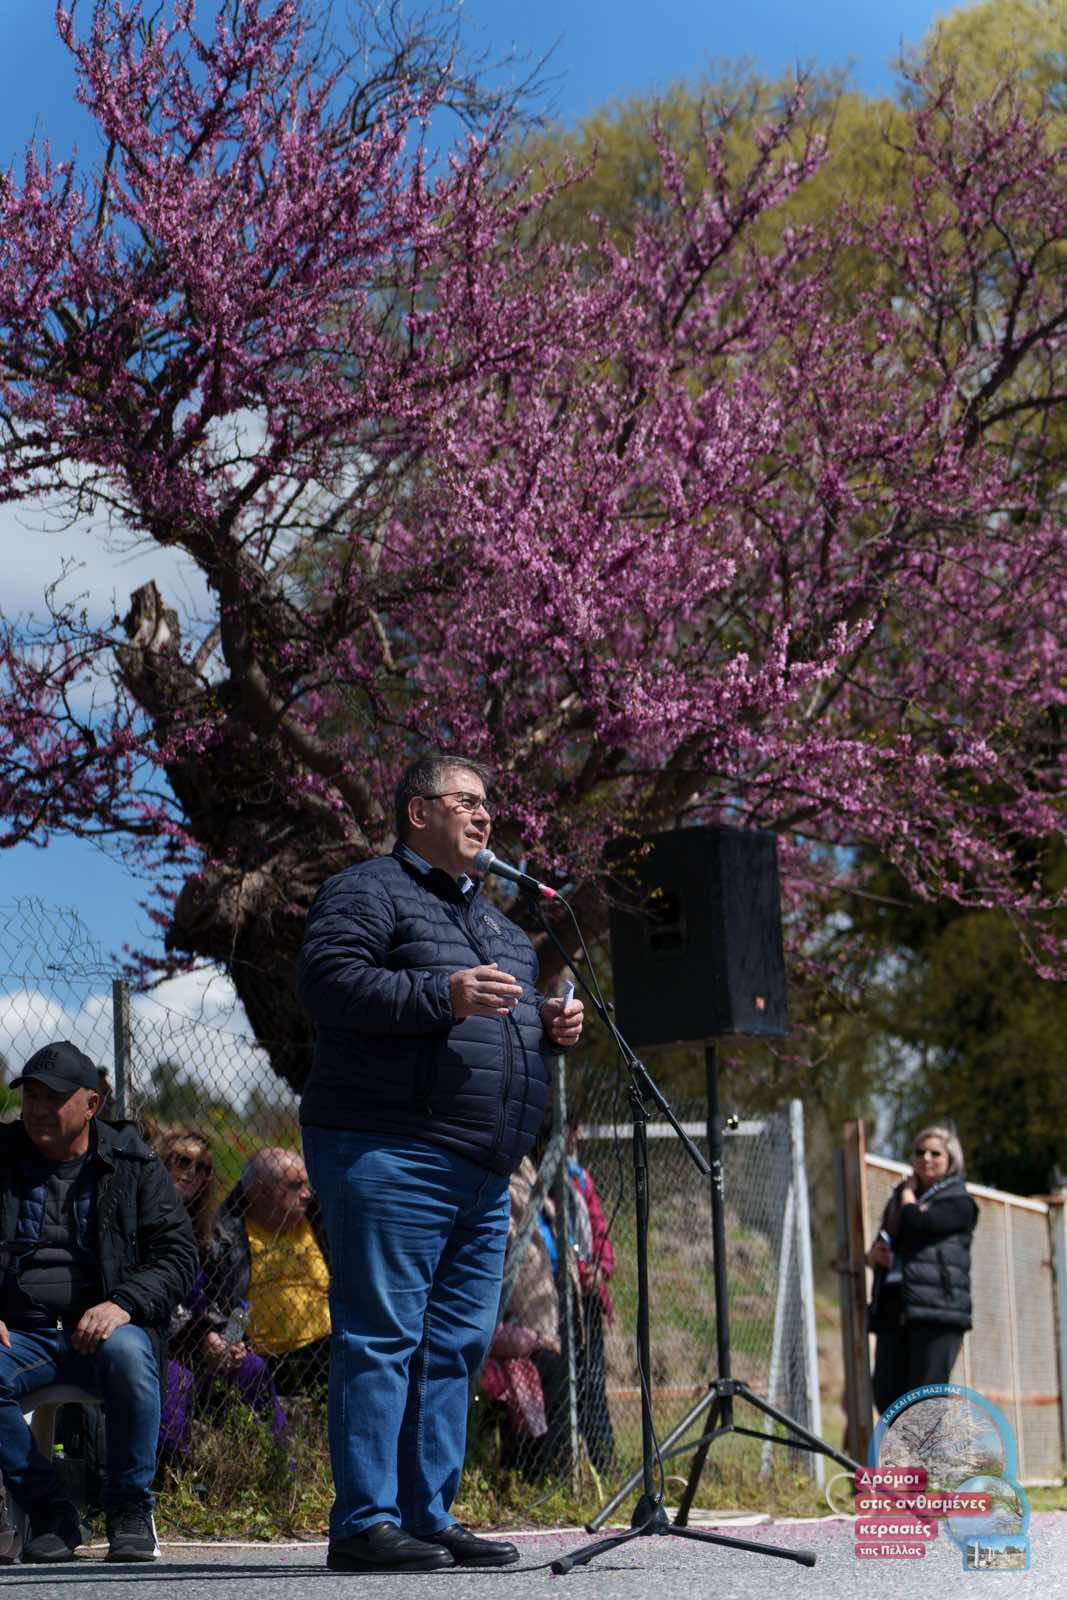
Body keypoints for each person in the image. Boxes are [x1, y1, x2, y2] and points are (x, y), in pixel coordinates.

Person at [298, 753, 583, 1573]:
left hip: (482, 1167)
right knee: (382, 1335)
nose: (485, 816)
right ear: (417, 812)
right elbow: (327, 982)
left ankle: (428, 1514)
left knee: (456, 1343)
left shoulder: (504, 931)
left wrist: (548, 1030)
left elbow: (500, 1028)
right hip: (389, 1146)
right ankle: (363, 1520)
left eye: (489, 804)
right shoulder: (368, 890)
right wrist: (441, 996)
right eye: (466, 802)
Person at [0, 1041, 197, 1563]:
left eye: (53, 1098)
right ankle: (49, 1508)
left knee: (132, 1356)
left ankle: (129, 1506)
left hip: (107, 1330)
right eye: (32, 1097)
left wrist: (124, 1303)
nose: (38, 1110)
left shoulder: (134, 1164)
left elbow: (178, 1256)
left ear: (92, 1104)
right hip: (23, 1332)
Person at [154, 1133, 290, 1467]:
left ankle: (282, 1469)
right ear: (161, 1163)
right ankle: (174, 1477)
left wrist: (229, 1343)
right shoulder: (144, 1221)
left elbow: (238, 1303)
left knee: (253, 1367)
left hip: (208, 1344)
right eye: (182, 1161)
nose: (192, 1172)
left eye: (203, 1168)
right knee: (175, 1379)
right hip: (161, 1343)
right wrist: (203, 1339)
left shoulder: (213, 1234)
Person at [866, 1124, 980, 1413]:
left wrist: (907, 1196)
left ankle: (927, 1459)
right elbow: (887, 1237)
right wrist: (874, 1255)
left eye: (935, 1153)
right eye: (919, 1152)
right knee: (887, 1396)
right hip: (895, 1308)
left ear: (950, 1160)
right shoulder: (898, 1202)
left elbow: (918, 1224)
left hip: (936, 1311)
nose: (926, 1158)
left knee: (924, 1402)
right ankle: (901, 1458)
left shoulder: (960, 1203)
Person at [205, 1147, 330, 1395]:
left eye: (307, 1184)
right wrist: (231, 1341)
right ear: (261, 1191)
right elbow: (222, 1304)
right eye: (295, 1186)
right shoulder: (227, 1234)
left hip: (327, 1348)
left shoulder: (318, 1220)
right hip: (265, 1356)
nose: (307, 1194)